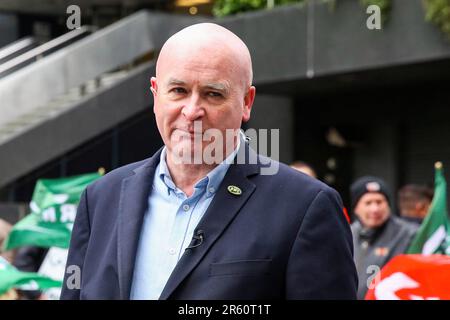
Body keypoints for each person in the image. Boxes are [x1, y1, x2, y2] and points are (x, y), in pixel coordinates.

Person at [61, 23, 357, 300]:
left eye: (213, 94)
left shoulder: (306, 207)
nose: (192, 111)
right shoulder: (101, 198)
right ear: (155, 93)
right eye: (178, 91)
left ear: (247, 102)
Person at [350, 176, 418, 300]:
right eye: (368, 203)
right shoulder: (348, 234)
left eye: (379, 202)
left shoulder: (409, 234)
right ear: (356, 208)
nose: (375, 209)